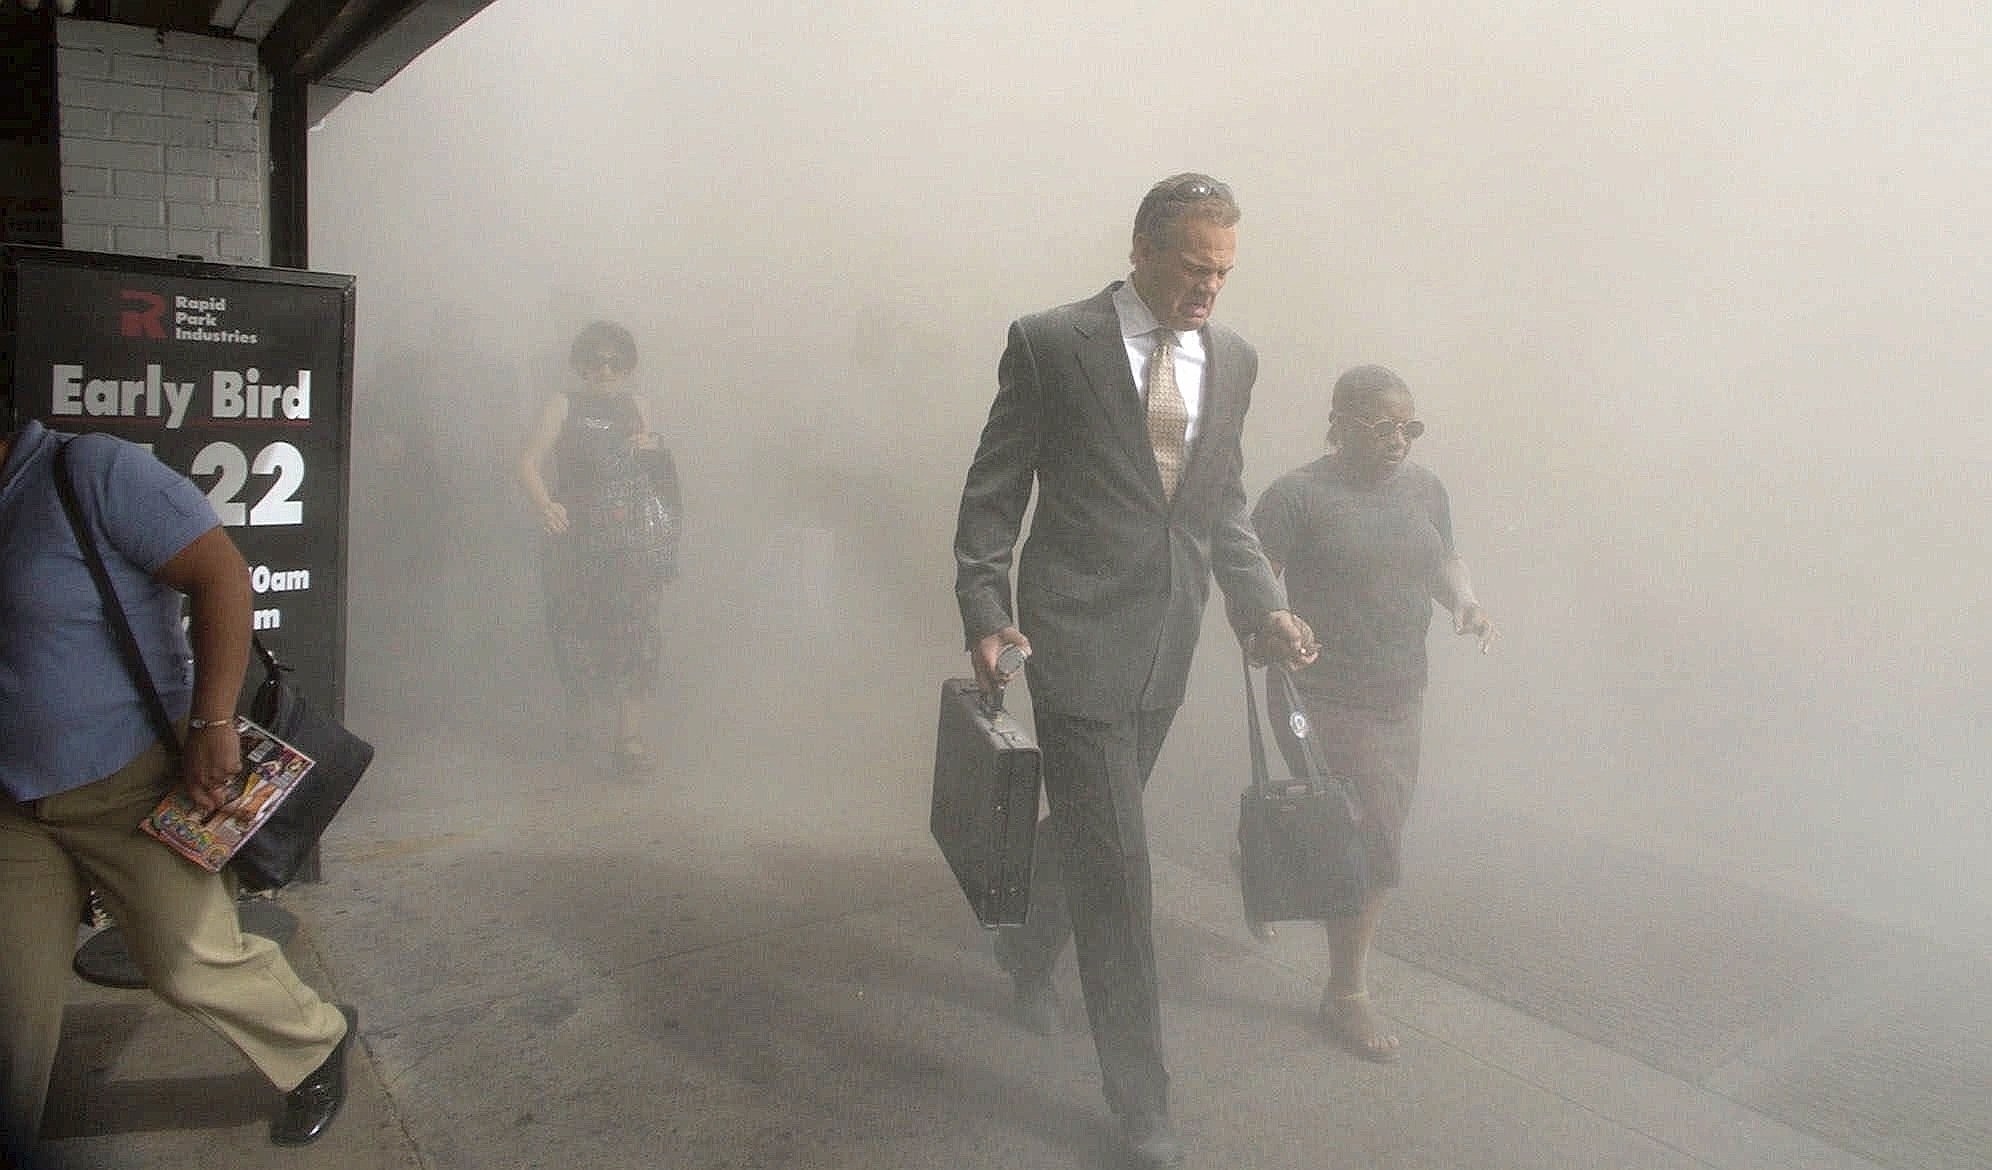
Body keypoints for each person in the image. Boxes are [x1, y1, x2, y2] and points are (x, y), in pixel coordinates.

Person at [952, 172, 1316, 1169]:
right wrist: (986, 611)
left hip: (1168, 643)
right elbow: (994, 495)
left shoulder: (1233, 359)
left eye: (1224, 272)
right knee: (1120, 869)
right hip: (1070, 639)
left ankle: (1023, 948)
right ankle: (1140, 1102)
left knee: (1085, 828)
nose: (1209, 288)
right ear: (1143, 248)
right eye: (1195, 266)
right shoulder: (1048, 343)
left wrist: (1263, 605)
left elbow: (1223, 504)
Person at [0, 411, 356, 1159]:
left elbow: (220, 573)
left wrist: (212, 724)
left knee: (188, 962)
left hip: (128, 780)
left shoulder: (87, 472)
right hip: (12, 804)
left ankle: (315, 1042)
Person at [1248, 363, 1495, 1063]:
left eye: (1408, 427)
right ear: (1338, 426)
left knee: (1361, 827)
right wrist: (1277, 623)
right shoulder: (1297, 495)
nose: (1399, 441)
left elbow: (1442, 557)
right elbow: (1252, 578)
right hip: (1319, 694)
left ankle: (1261, 857)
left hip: (1398, 693)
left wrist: (1465, 601)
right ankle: (1346, 994)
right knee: (1368, 838)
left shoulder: (1424, 488)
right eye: (1381, 427)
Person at [517, 320, 682, 774]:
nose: (604, 369)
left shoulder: (637, 405)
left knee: (638, 634)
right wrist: (546, 505)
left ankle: (629, 740)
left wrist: (653, 450)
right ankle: (580, 723)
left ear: (627, 366)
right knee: (576, 633)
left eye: (613, 361)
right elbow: (528, 461)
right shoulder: (563, 404)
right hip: (575, 539)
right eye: (595, 360)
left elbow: (657, 474)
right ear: (581, 364)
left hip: (630, 541)